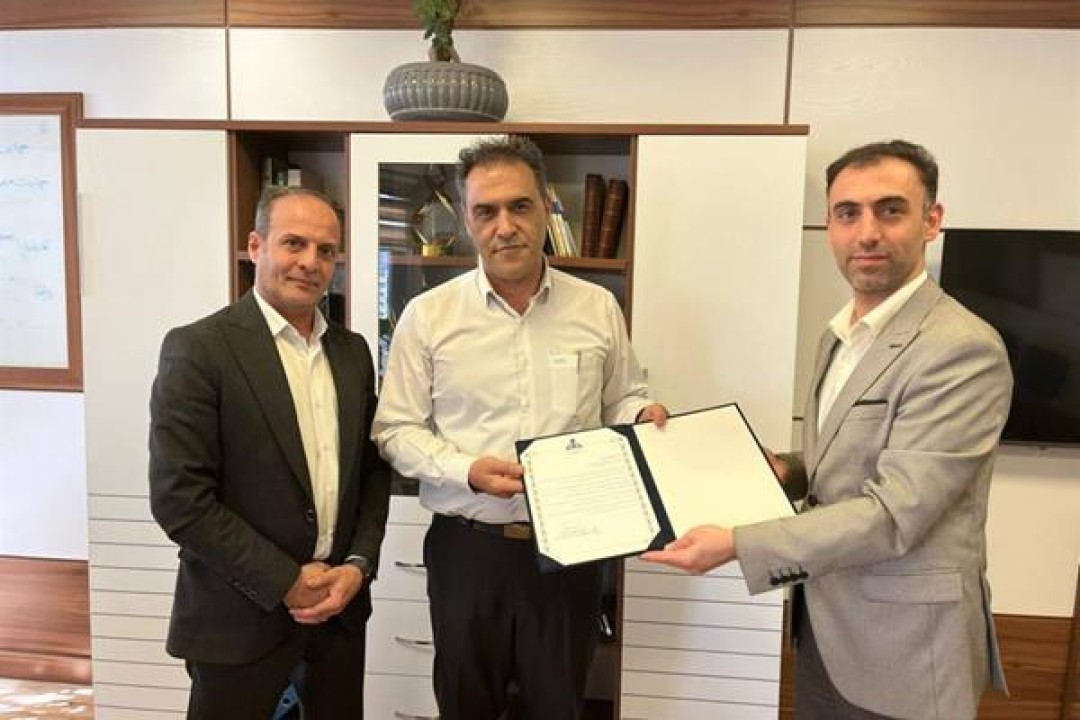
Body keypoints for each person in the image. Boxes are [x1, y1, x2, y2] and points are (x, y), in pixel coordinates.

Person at [642, 140, 1013, 719]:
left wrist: (739, 543)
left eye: (890, 210)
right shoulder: (839, 335)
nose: (867, 233)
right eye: (847, 213)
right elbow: (849, 460)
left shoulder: (961, 349)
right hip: (826, 627)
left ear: (931, 221)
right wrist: (785, 469)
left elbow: (895, 513)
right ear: (829, 226)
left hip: (907, 649)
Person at [372, 135, 668, 720]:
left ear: (545, 206)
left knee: (558, 704)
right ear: (467, 219)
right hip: (468, 549)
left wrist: (641, 415)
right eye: (486, 211)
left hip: (571, 546)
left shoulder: (597, 307)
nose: (505, 226)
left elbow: (621, 399)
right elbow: (395, 430)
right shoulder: (428, 316)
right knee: (466, 705)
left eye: (520, 206)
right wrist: (467, 471)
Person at [149, 186, 391, 719]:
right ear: (256, 246)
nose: (310, 262)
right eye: (293, 243)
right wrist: (285, 582)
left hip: (338, 615)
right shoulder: (199, 348)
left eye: (326, 250)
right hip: (237, 621)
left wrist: (358, 565)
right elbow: (179, 499)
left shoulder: (352, 353)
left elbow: (373, 475)